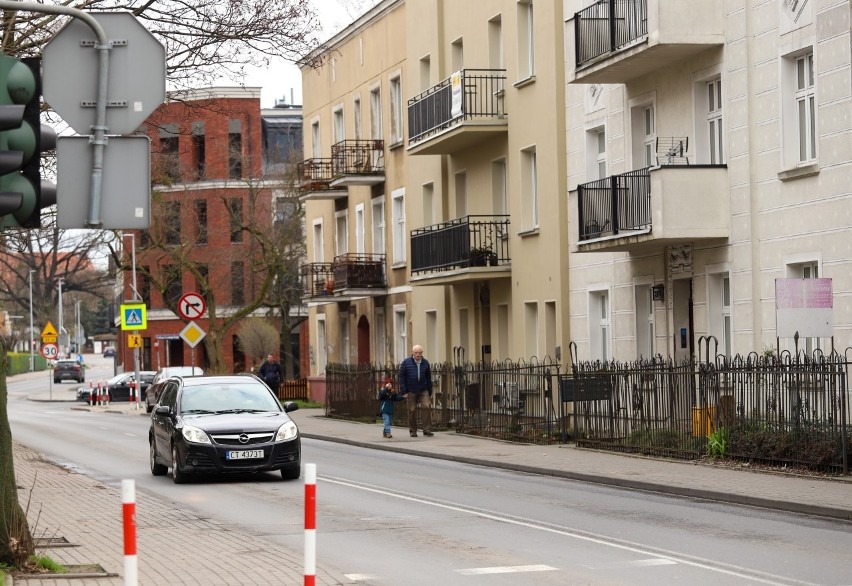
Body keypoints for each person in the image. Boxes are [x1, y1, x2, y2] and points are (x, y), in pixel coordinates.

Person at [399, 344, 433, 437]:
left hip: (423, 389)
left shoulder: (425, 363)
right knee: (412, 410)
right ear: (412, 353)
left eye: (419, 353)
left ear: (422, 353)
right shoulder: (406, 363)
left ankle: (427, 429)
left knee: (426, 406)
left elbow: (428, 377)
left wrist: (430, 391)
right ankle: (413, 431)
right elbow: (401, 377)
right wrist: (404, 391)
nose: (418, 354)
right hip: (411, 390)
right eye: (416, 353)